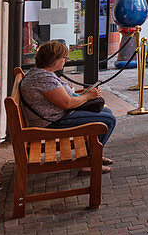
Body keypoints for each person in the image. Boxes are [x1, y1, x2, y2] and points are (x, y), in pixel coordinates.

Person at [19, 40, 116, 171]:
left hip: (53, 117)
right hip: (53, 122)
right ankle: (88, 162)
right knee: (108, 120)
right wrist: (87, 96)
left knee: (107, 112)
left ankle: (94, 155)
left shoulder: (39, 74)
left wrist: (83, 94)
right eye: (64, 57)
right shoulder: (44, 79)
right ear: (54, 59)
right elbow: (67, 103)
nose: (66, 60)